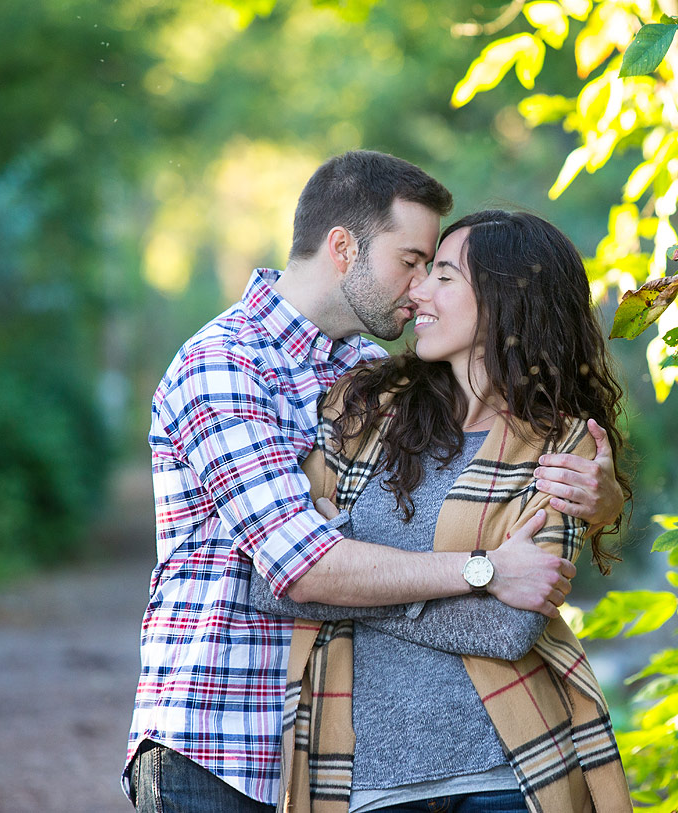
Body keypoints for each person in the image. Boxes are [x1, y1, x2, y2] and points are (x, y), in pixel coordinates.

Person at [125, 151, 624, 813]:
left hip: (320, 750)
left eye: (434, 269)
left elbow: (514, 457)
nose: (419, 287)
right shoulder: (224, 367)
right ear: (342, 248)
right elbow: (298, 573)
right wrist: (485, 571)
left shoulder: (371, 379)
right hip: (220, 738)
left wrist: (604, 498)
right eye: (412, 261)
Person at [251, 209, 633, 813]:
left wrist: (356, 579)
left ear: (507, 301)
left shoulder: (563, 446)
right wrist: (485, 573)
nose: (418, 290)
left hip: (510, 774)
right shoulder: (365, 413)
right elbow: (281, 582)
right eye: (422, 270)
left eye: (445, 277)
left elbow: (511, 631)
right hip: (363, 782)